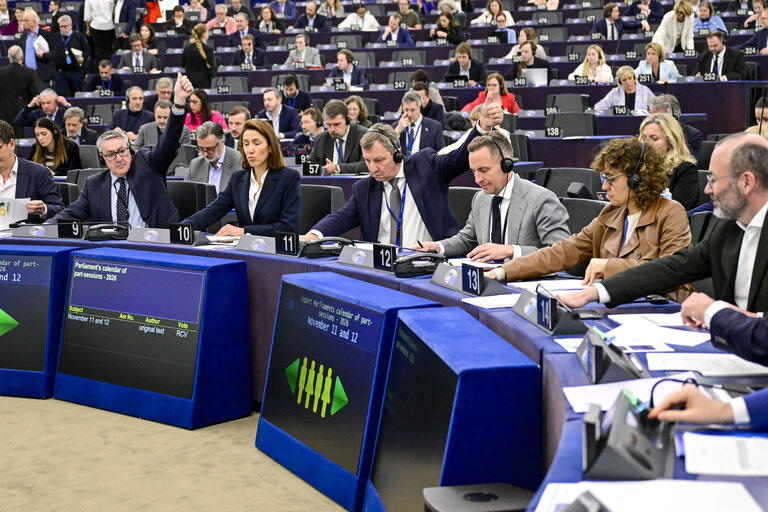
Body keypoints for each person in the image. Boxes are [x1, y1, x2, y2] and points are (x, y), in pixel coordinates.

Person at [558, 134, 768, 313]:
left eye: (713, 179)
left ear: (746, 182)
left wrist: (716, 314)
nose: (707, 190)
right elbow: (672, 268)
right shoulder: (728, 228)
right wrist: (598, 292)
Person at [489, 137, 693, 303]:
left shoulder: (670, 213)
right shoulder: (610, 214)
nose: (604, 188)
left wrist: (608, 267)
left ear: (637, 178)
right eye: (604, 179)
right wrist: (502, 272)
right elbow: (562, 252)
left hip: (658, 311)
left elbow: (669, 271)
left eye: (611, 179)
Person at [300, 97, 503, 244]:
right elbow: (340, 217)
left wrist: (482, 126)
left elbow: (458, 158)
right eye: (368, 161)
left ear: (397, 153)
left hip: (428, 262)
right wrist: (313, 235)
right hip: (383, 269)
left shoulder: (426, 166)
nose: (372, 168)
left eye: (379, 160)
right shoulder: (365, 189)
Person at [50, 73, 194, 228]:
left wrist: (178, 104)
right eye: (111, 155)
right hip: (114, 247)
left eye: (122, 151)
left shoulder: (148, 164)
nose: (119, 158)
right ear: (102, 157)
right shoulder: (94, 184)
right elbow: (71, 213)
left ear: (129, 149)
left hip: (154, 243)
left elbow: (169, 143)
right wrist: (42, 228)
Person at [419, 132, 569, 261]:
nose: (478, 180)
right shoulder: (480, 199)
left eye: (484, 170)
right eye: (474, 171)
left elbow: (561, 252)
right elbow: (467, 240)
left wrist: (512, 251)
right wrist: (438, 247)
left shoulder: (541, 199)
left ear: (506, 164)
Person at [183, 120, 301, 237]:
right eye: (246, 144)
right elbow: (213, 210)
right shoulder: (238, 178)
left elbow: (288, 227)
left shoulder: (289, 178)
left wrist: (243, 231)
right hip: (245, 251)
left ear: (270, 147)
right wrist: (182, 228)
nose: (250, 150)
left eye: (256, 143)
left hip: (276, 251)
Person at [0, 119, 64, 222]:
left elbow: (59, 209)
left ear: (11, 144)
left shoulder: (38, 173)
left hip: (21, 235)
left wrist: (43, 209)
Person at [639, 113, 698, 210]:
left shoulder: (686, 169)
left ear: (671, 142)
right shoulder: (638, 165)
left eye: (654, 139)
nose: (647, 144)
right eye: (644, 138)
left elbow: (678, 210)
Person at [307, 100, 368, 175]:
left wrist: (337, 168)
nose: (332, 129)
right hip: (327, 184)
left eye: (337, 124)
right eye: (329, 125)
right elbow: (309, 165)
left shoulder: (363, 135)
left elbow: (367, 164)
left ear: (347, 120)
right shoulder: (321, 139)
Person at [184, 121, 240, 193]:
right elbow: (186, 195)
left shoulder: (240, 161)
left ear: (222, 142)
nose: (205, 154)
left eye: (210, 149)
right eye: (201, 148)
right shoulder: (195, 165)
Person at [648, 93, 703, 163]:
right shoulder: (647, 135)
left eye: (660, 118)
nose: (655, 122)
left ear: (674, 117)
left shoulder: (692, 135)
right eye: (652, 118)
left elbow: (692, 163)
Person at [394, 92, 444, 156]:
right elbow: (387, 149)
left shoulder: (434, 127)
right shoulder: (396, 126)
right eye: (406, 110)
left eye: (412, 110)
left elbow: (441, 153)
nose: (409, 114)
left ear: (420, 108)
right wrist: (397, 131)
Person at [21, 9, 59, 92]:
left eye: (26, 20)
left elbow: (55, 53)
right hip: (27, 75)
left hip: (41, 75)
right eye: (23, 20)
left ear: (34, 21)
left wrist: (43, 56)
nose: (23, 23)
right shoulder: (23, 37)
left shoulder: (46, 34)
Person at [0, 46, 38, 127]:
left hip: (3, 112)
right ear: (22, 57)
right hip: (22, 113)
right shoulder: (30, 73)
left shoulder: (1, 72)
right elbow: (34, 94)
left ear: (8, 57)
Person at [53, 15, 89, 96]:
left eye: (65, 26)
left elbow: (86, 50)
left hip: (76, 71)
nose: (62, 29)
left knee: (77, 94)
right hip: (61, 72)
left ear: (71, 26)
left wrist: (83, 58)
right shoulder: (55, 37)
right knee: (62, 95)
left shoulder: (78, 36)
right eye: (61, 26)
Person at [84, 0, 114, 74]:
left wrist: (88, 29)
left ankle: (99, 73)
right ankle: (108, 72)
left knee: (98, 51)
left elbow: (87, 17)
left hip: (96, 26)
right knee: (108, 51)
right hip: (109, 26)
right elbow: (113, 10)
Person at [182, 24, 216, 90]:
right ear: (204, 34)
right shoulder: (208, 49)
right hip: (204, 83)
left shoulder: (187, 48)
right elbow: (212, 68)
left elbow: (183, 64)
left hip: (190, 82)